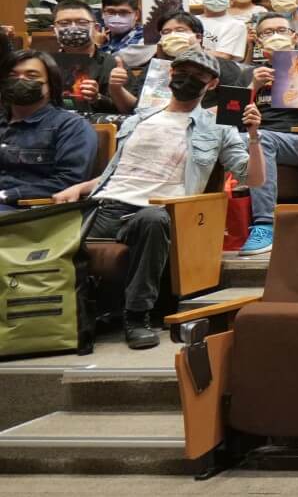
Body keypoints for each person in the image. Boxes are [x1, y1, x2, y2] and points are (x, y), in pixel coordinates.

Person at [50, 49, 263, 349]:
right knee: (42, 231)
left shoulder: (218, 127)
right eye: (182, 72)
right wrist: (81, 187)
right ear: (170, 74)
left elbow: (253, 179)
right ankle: (58, 319)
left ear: (212, 83)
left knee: (153, 219)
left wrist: (253, 137)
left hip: (156, 213)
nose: (187, 79)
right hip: (105, 206)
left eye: (198, 75)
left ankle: (137, 316)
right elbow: (122, 172)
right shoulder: (140, 118)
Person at [0, 50, 97, 210]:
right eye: (12, 76)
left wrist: (8, 195)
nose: (20, 80)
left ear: (50, 84)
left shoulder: (71, 126)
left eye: (31, 76)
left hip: (30, 210)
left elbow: (69, 181)